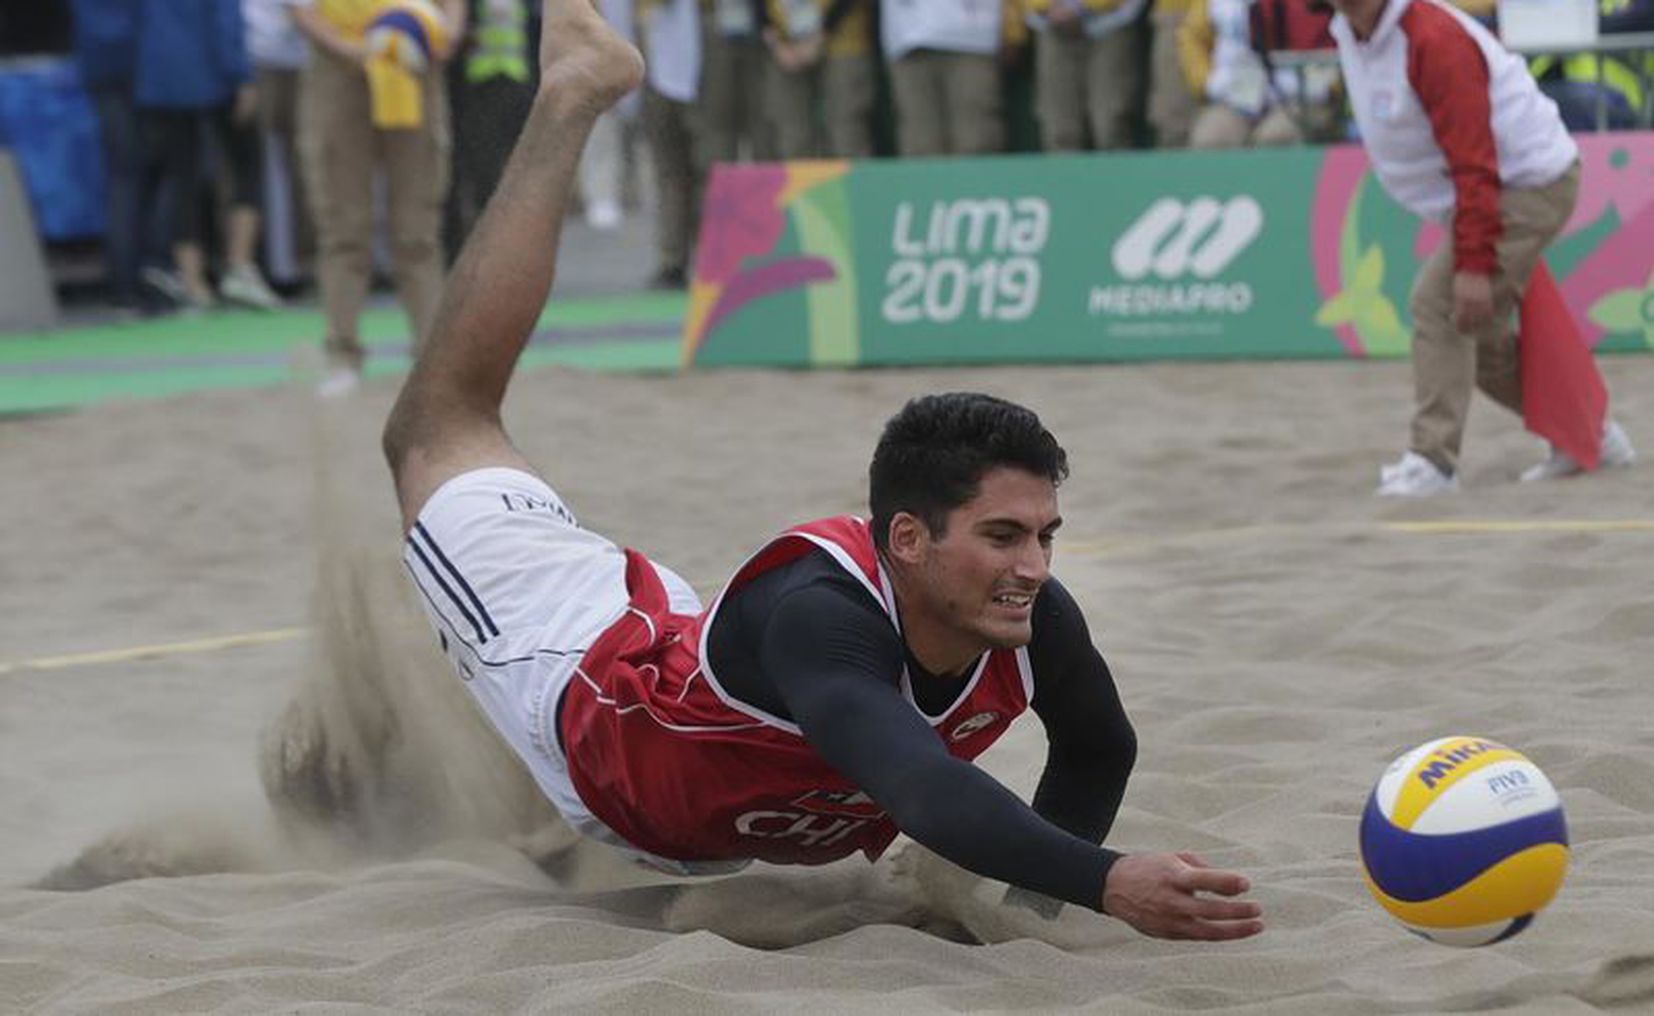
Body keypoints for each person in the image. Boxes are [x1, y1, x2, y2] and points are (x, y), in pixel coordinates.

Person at [377, 0, 1265, 942]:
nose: (1034, 566)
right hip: (571, 685)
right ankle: (571, 93)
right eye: (1003, 535)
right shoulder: (822, 613)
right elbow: (925, 789)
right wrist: (1109, 879)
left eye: (1046, 534)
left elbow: (1099, 748)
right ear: (909, 539)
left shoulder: (1026, 609)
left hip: (686, 687)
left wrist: (1031, 914)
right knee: (440, 429)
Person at [1327, 0, 1636, 495]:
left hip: (1528, 183)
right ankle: (1589, 435)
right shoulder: (1351, 29)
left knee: (1439, 304)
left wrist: (1473, 264)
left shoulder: (1432, 39)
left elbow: (1476, 160)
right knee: (1481, 334)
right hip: (1488, 186)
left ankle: (1432, 461)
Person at [284, 0, 468, 397]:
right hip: (339, 73)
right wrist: (356, 49)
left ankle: (433, 362)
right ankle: (342, 355)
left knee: (417, 228)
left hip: (414, 67)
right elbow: (302, 10)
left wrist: (447, 30)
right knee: (343, 227)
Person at [1025, 0, 1149, 153]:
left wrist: (1079, 8)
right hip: (1049, 24)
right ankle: (1063, 177)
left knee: (1111, 124)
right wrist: (1044, 6)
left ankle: (1119, 176)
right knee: (1060, 129)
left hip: (1112, 20)